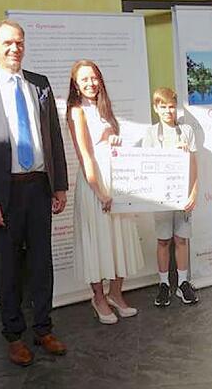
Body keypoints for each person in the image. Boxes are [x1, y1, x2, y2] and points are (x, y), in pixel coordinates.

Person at [0, 19, 68, 366]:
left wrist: (60, 185)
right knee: (8, 268)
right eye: (8, 42)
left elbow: (53, 138)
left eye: (20, 42)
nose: (15, 48)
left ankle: (43, 329)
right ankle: (13, 335)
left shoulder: (40, 84)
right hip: (4, 195)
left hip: (39, 187)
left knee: (42, 264)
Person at [66, 59, 144, 324]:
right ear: (76, 85)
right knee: (96, 241)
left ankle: (116, 294)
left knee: (118, 239)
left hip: (116, 182)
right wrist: (98, 192)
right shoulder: (77, 112)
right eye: (84, 79)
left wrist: (114, 140)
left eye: (94, 77)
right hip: (94, 186)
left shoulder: (105, 109)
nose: (90, 83)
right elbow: (86, 155)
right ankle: (98, 297)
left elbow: (111, 145)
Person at [141, 87, 199, 306]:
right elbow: (146, 166)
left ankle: (182, 283)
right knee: (163, 240)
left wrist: (193, 192)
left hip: (182, 195)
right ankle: (164, 283)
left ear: (177, 108)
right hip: (161, 197)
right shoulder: (150, 134)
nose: (168, 111)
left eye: (171, 106)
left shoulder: (186, 131)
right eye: (163, 107)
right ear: (156, 108)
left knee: (181, 239)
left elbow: (193, 164)